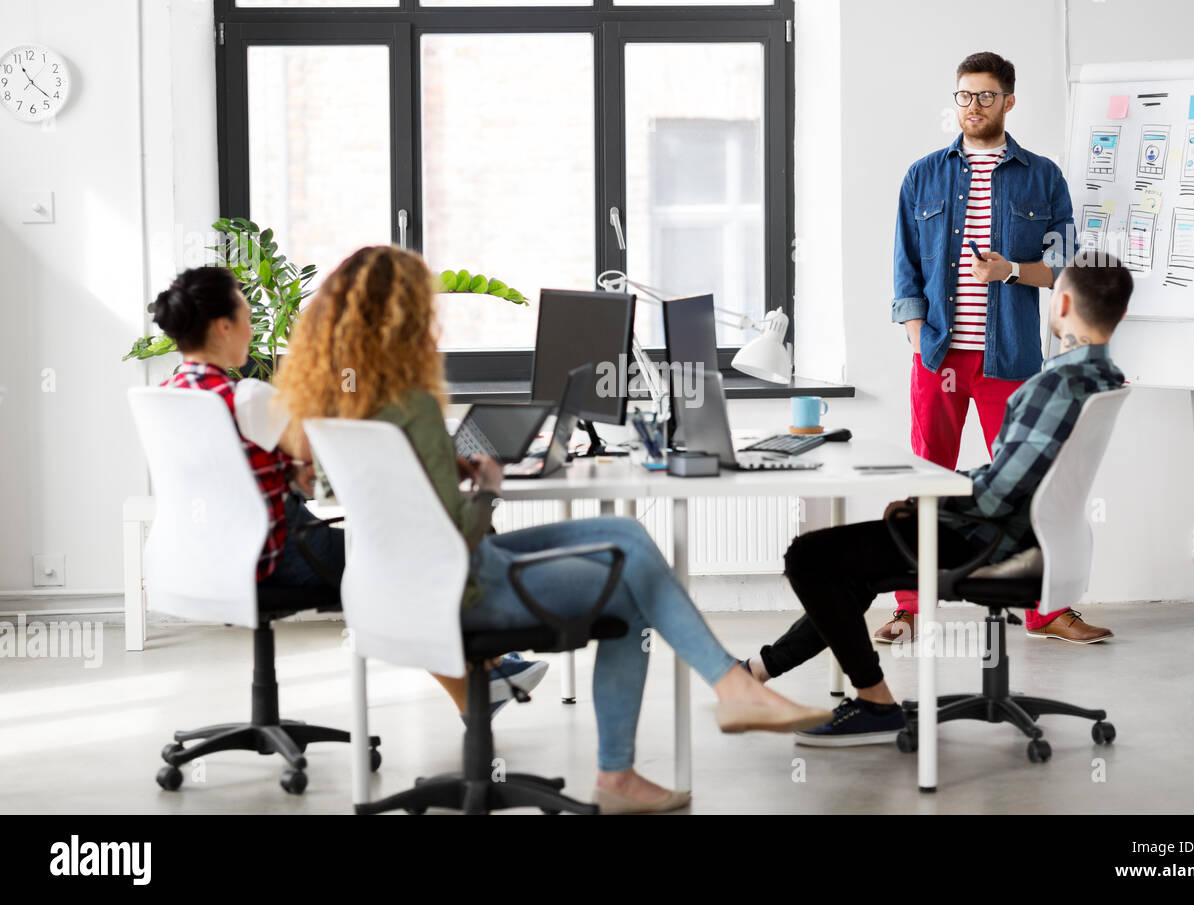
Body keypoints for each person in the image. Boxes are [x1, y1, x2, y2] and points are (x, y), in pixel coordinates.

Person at [275, 245, 832, 813]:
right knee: (627, 595)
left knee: (627, 537)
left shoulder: (332, 402)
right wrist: (488, 485)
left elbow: (344, 495)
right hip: (462, 590)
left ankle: (732, 688)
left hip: (383, 592)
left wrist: (441, 461)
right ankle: (644, 758)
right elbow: (461, 534)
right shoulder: (411, 404)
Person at [742, 252, 1132, 746]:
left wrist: (924, 503)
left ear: (1065, 303)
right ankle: (758, 670)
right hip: (1037, 538)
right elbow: (1012, 474)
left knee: (810, 556)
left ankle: (875, 704)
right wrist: (938, 488)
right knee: (853, 567)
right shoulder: (1103, 377)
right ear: (1118, 315)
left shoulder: (1053, 384)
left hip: (987, 542)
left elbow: (998, 494)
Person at [150, 266, 548, 716]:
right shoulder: (245, 397)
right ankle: (483, 683)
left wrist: (289, 468)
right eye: (244, 312)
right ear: (223, 326)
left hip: (210, 554)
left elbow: (245, 469)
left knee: (404, 556)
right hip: (278, 556)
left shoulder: (172, 392)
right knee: (403, 563)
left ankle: (489, 676)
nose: (250, 324)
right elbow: (320, 446)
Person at [885, 51, 1112, 644]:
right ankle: (909, 605)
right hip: (938, 356)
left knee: (1028, 484)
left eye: (986, 96)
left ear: (1009, 101)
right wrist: (916, 339)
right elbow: (905, 269)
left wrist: (1011, 269)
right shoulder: (923, 175)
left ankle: (1046, 610)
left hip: (1007, 355)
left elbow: (1064, 266)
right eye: (964, 95)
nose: (973, 107)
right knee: (927, 477)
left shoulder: (1042, 177)